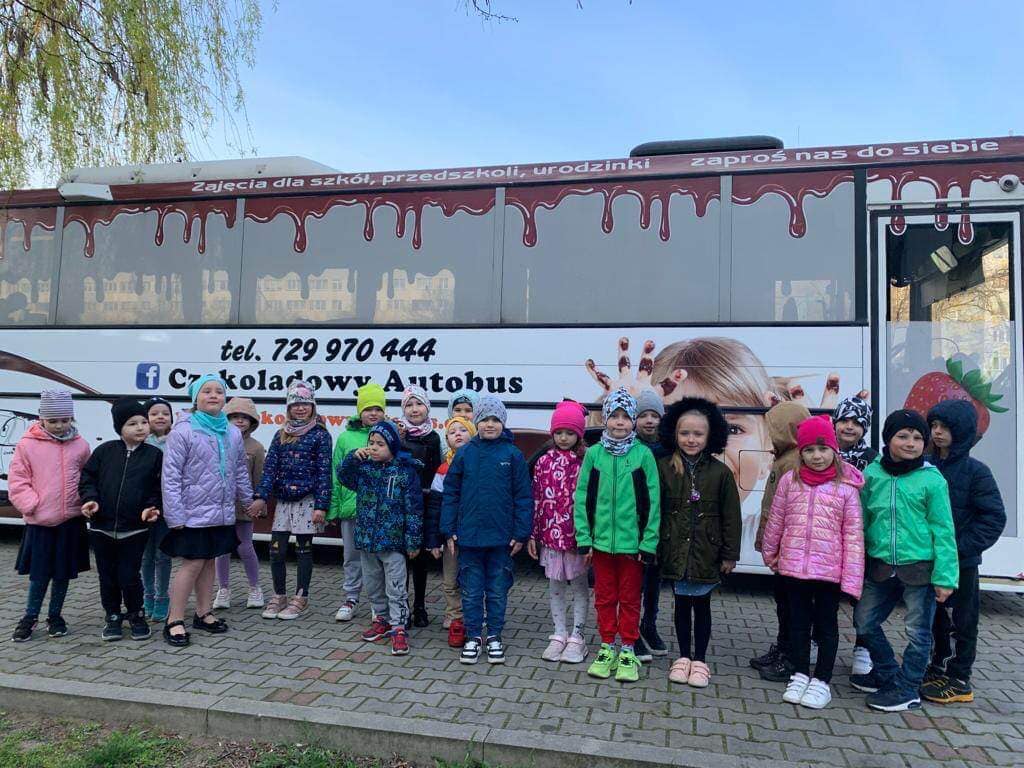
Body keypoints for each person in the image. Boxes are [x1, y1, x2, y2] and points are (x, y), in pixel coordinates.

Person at [852, 409, 958, 712]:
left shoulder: (932, 480)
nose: (911, 443)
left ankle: (908, 688)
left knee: (918, 632)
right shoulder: (873, 475)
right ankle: (887, 672)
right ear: (888, 439)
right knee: (864, 620)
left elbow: (944, 529)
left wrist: (946, 577)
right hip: (880, 566)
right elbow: (862, 520)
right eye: (903, 436)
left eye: (917, 438)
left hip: (919, 570)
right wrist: (856, 562)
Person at [761, 416, 865, 709]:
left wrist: (852, 580)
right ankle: (799, 674)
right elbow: (777, 520)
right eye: (809, 450)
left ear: (834, 449)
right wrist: (771, 553)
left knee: (826, 626)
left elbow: (853, 537)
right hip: (794, 568)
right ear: (801, 452)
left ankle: (822, 681)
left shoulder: (846, 488)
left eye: (823, 449)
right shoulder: (789, 481)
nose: (817, 456)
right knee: (798, 625)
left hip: (828, 574)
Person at [922, 400, 1006, 704]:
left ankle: (959, 678)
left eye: (945, 427)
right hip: (929, 560)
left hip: (962, 562)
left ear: (963, 432)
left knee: (962, 620)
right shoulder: (925, 465)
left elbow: (993, 518)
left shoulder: (976, 472)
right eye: (934, 426)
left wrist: (959, 548)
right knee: (935, 618)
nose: (937, 432)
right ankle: (937, 666)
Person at [573, 388, 660, 684]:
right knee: (605, 597)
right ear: (605, 419)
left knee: (630, 599)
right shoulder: (594, 455)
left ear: (633, 421)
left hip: (632, 546)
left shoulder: (643, 455)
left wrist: (648, 542)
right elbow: (582, 498)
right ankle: (607, 645)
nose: (619, 422)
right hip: (600, 545)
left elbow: (653, 502)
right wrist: (584, 538)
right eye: (614, 416)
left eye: (625, 416)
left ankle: (628, 649)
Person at [160, 374, 254, 647]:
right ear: (195, 398)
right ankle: (174, 619)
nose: (213, 395)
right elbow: (171, 476)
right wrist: (174, 515)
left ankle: (204, 613)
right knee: (192, 564)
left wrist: (247, 500)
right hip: (192, 513)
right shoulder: (183, 431)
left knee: (210, 561)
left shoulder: (232, 432)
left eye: (218, 391)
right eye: (206, 391)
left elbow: (239, 469)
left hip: (221, 512)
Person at [440, 395, 532, 665]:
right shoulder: (465, 453)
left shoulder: (513, 455)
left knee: (497, 590)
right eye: (484, 419)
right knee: (470, 590)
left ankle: (494, 636)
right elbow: (451, 492)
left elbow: (523, 496)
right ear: (476, 422)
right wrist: (449, 528)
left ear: (503, 422)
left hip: (502, 539)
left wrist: (521, 532)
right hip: (469, 538)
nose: (490, 424)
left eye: (495, 420)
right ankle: (473, 637)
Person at [657, 397, 740, 689]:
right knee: (681, 606)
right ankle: (683, 656)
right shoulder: (664, 468)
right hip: (676, 551)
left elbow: (731, 517)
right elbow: (654, 511)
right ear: (674, 434)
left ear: (710, 436)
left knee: (702, 607)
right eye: (685, 433)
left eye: (698, 434)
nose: (691, 439)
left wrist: (729, 554)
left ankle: (700, 660)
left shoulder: (721, 473)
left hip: (707, 552)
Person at [9, 391, 91, 642]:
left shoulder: (80, 445)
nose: (59, 425)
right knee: (40, 573)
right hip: (41, 521)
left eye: (65, 420)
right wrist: (31, 504)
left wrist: (85, 500)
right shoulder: (27, 445)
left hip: (70, 520)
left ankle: (55, 616)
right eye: (53, 420)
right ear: (41, 419)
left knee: (62, 573)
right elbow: (18, 480)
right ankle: (30, 616)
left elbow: (88, 476)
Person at [79, 398, 163, 642]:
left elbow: (157, 488)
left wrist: (152, 508)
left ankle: (136, 615)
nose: (140, 427)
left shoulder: (154, 455)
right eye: (132, 423)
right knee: (107, 577)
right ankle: (113, 616)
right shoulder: (104, 451)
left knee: (129, 576)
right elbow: (87, 479)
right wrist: (90, 500)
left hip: (135, 530)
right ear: (119, 428)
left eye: (143, 422)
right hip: (101, 529)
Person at [337, 421, 423, 656]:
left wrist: (413, 540)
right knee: (373, 584)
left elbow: (414, 508)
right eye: (371, 443)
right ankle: (382, 619)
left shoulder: (405, 472)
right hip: (367, 541)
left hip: (393, 543)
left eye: (380, 444)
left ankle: (399, 627)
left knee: (396, 586)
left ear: (392, 446)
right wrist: (353, 458)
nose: (374, 448)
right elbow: (343, 477)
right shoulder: (364, 469)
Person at [250, 381, 332, 621]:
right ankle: (279, 595)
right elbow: (269, 470)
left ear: (313, 407)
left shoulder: (321, 435)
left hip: (307, 500)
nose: (300, 408)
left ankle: (301, 596)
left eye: (305, 404)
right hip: (284, 501)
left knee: (304, 550)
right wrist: (261, 497)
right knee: (276, 550)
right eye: (295, 404)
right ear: (288, 408)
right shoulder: (281, 434)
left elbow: (324, 472)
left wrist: (321, 506)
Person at [750, 401, 811, 682]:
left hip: (791, 546)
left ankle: (792, 658)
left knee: (791, 606)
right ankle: (783, 648)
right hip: (781, 544)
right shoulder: (784, 457)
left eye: (773, 429)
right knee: (783, 601)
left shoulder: (794, 461)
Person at [528, 399, 590, 664]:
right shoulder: (543, 462)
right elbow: (537, 498)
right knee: (555, 585)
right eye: (559, 432)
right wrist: (533, 533)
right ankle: (559, 633)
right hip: (551, 537)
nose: (564, 438)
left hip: (576, 537)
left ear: (579, 434)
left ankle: (578, 635)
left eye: (570, 433)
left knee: (579, 585)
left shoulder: (586, 461)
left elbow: (591, 502)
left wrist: (589, 537)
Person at [328, 381, 388, 622]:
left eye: (378, 408)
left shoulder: (389, 435)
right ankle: (351, 597)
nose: (373, 413)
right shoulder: (346, 438)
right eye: (367, 409)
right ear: (359, 411)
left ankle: (377, 603)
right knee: (351, 557)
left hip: (379, 511)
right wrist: (333, 508)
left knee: (376, 559)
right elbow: (336, 474)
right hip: (352, 509)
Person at [832, 394, 878, 677]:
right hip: (827, 535)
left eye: (857, 422)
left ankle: (864, 646)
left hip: (858, 537)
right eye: (844, 420)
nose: (849, 427)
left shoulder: (872, 460)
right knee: (824, 593)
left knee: (864, 596)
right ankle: (817, 639)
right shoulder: (823, 452)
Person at [424, 415, 476, 647]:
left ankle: (474, 613)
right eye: (452, 431)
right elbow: (435, 506)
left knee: (473, 577)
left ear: (472, 435)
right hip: (450, 536)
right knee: (450, 578)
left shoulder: (479, 464)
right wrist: (434, 539)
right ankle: (454, 614)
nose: (458, 434)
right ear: (447, 439)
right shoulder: (443, 469)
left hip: (474, 534)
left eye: (463, 430)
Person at [213, 398, 267, 610]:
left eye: (245, 417)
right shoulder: (217, 440)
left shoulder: (256, 447)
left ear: (252, 421)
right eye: (234, 417)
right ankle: (223, 589)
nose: (240, 421)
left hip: (245, 506)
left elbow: (259, 478)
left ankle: (255, 588)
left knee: (245, 546)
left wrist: (258, 503)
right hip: (220, 504)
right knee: (222, 549)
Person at [396, 385, 442, 628]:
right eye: (409, 405)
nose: (414, 409)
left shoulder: (433, 437)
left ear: (427, 407)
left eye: (419, 404)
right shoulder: (398, 435)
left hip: (423, 502)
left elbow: (436, 471)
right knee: (402, 559)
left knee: (420, 560)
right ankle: (401, 606)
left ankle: (420, 606)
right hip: (401, 504)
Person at [634, 387, 669, 662]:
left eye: (654, 415)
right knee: (635, 580)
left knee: (655, 578)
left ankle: (650, 624)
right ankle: (632, 630)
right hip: (634, 522)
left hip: (660, 521)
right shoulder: (630, 448)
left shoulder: (669, 450)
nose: (649, 420)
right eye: (643, 415)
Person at [141, 396, 174, 622]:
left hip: (167, 507)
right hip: (144, 507)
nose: (160, 417)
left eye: (165, 413)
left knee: (163, 555)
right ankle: (148, 596)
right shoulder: (140, 442)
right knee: (146, 556)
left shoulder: (177, 440)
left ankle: (162, 597)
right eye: (154, 413)